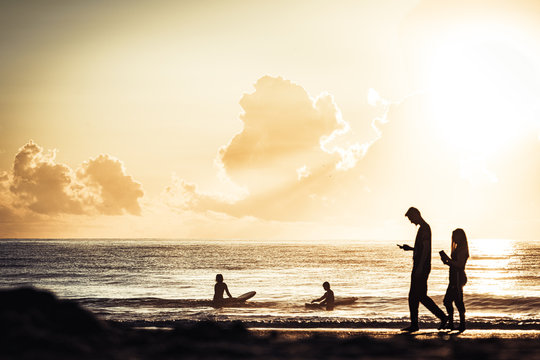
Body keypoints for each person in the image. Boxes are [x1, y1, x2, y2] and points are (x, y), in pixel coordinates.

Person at [398, 207, 447, 332]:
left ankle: (418, 324)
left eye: (410, 218)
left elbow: (425, 250)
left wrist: (419, 267)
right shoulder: (423, 228)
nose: (410, 221)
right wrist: (411, 249)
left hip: (421, 266)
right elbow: (422, 248)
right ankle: (440, 318)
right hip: (421, 265)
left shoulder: (425, 228)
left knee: (415, 296)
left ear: (416, 215)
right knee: (419, 296)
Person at [440, 228, 469, 332]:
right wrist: (448, 262)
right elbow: (455, 263)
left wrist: (448, 260)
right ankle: (453, 323)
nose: (453, 239)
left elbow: (459, 265)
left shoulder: (462, 249)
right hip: (454, 277)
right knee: (449, 301)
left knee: (455, 301)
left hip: (458, 277)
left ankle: (461, 324)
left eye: (455, 236)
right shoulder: (459, 248)